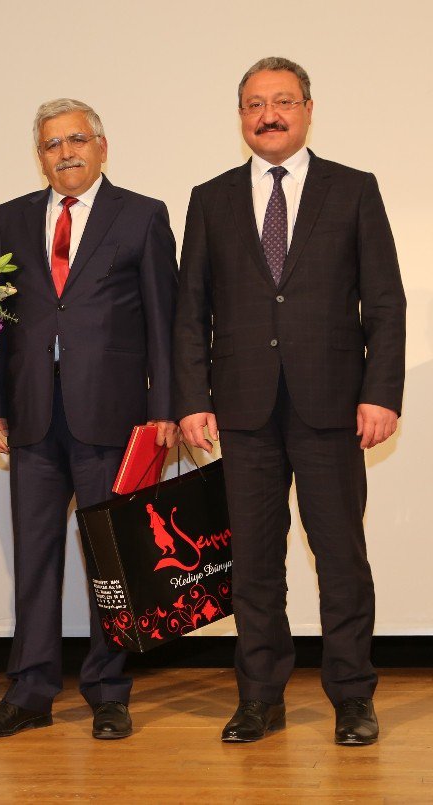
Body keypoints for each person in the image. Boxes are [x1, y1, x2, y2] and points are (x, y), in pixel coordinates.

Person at [174, 57, 406, 746]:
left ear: (308, 108)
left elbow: (385, 304)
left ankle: (352, 699)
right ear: (240, 115)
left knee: (341, 559)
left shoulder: (353, 190)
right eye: (254, 103)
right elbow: (191, 312)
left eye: (281, 101)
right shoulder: (210, 198)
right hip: (242, 411)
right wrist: (191, 397)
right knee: (253, 566)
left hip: (334, 407)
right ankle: (259, 698)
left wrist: (381, 393)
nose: (267, 114)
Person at [0, 99, 178, 740]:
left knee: (109, 559)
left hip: (112, 417)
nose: (66, 152)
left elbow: (164, 327)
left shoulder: (142, 215)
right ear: (40, 156)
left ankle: (108, 689)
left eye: (77, 139)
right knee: (35, 559)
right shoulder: (10, 219)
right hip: (32, 415)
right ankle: (30, 689)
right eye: (52, 144)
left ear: (102, 145)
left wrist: (165, 413)